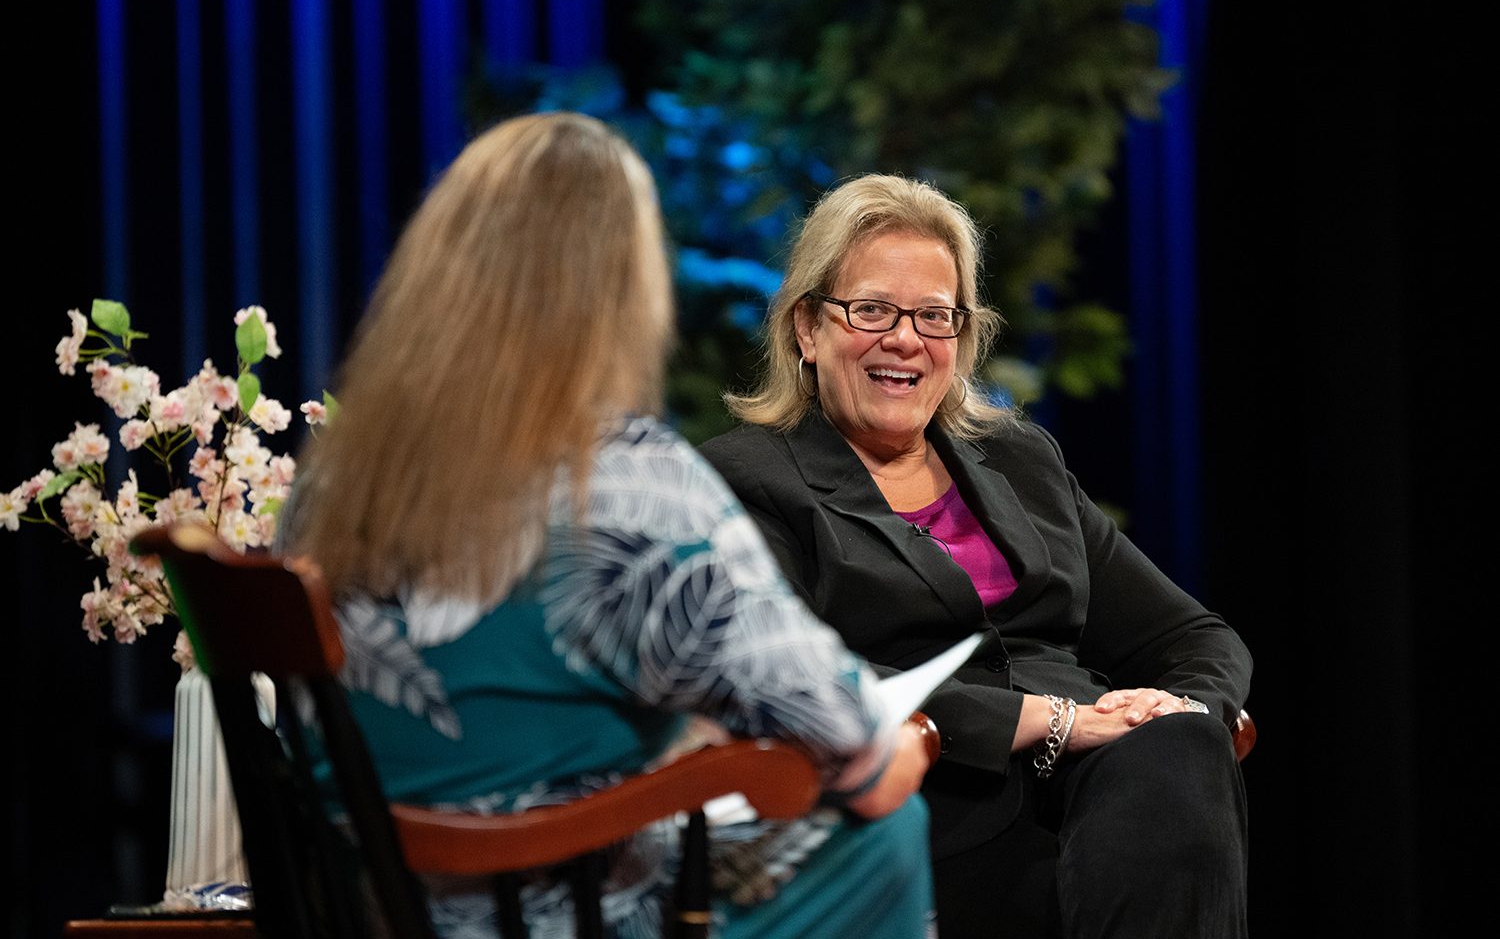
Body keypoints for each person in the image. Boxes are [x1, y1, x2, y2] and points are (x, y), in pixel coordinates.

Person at [285, 114, 934, 939]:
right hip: (572, 915)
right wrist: (892, 748)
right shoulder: (626, 485)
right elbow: (859, 750)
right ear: (624, 290)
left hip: (376, 911)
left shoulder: (334, 471)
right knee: (887, 831)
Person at [699, 174, 1252, 939]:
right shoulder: (748, 482)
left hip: (1106, 793)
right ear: (806, 329)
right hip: (929, 798)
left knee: (1178, 752)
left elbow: (1193, 637)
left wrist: (1178, 706)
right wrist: (1052, 720)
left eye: (935, 316)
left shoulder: (1018, 458)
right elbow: (796, 682)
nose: (905, 340)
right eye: (871, 310)